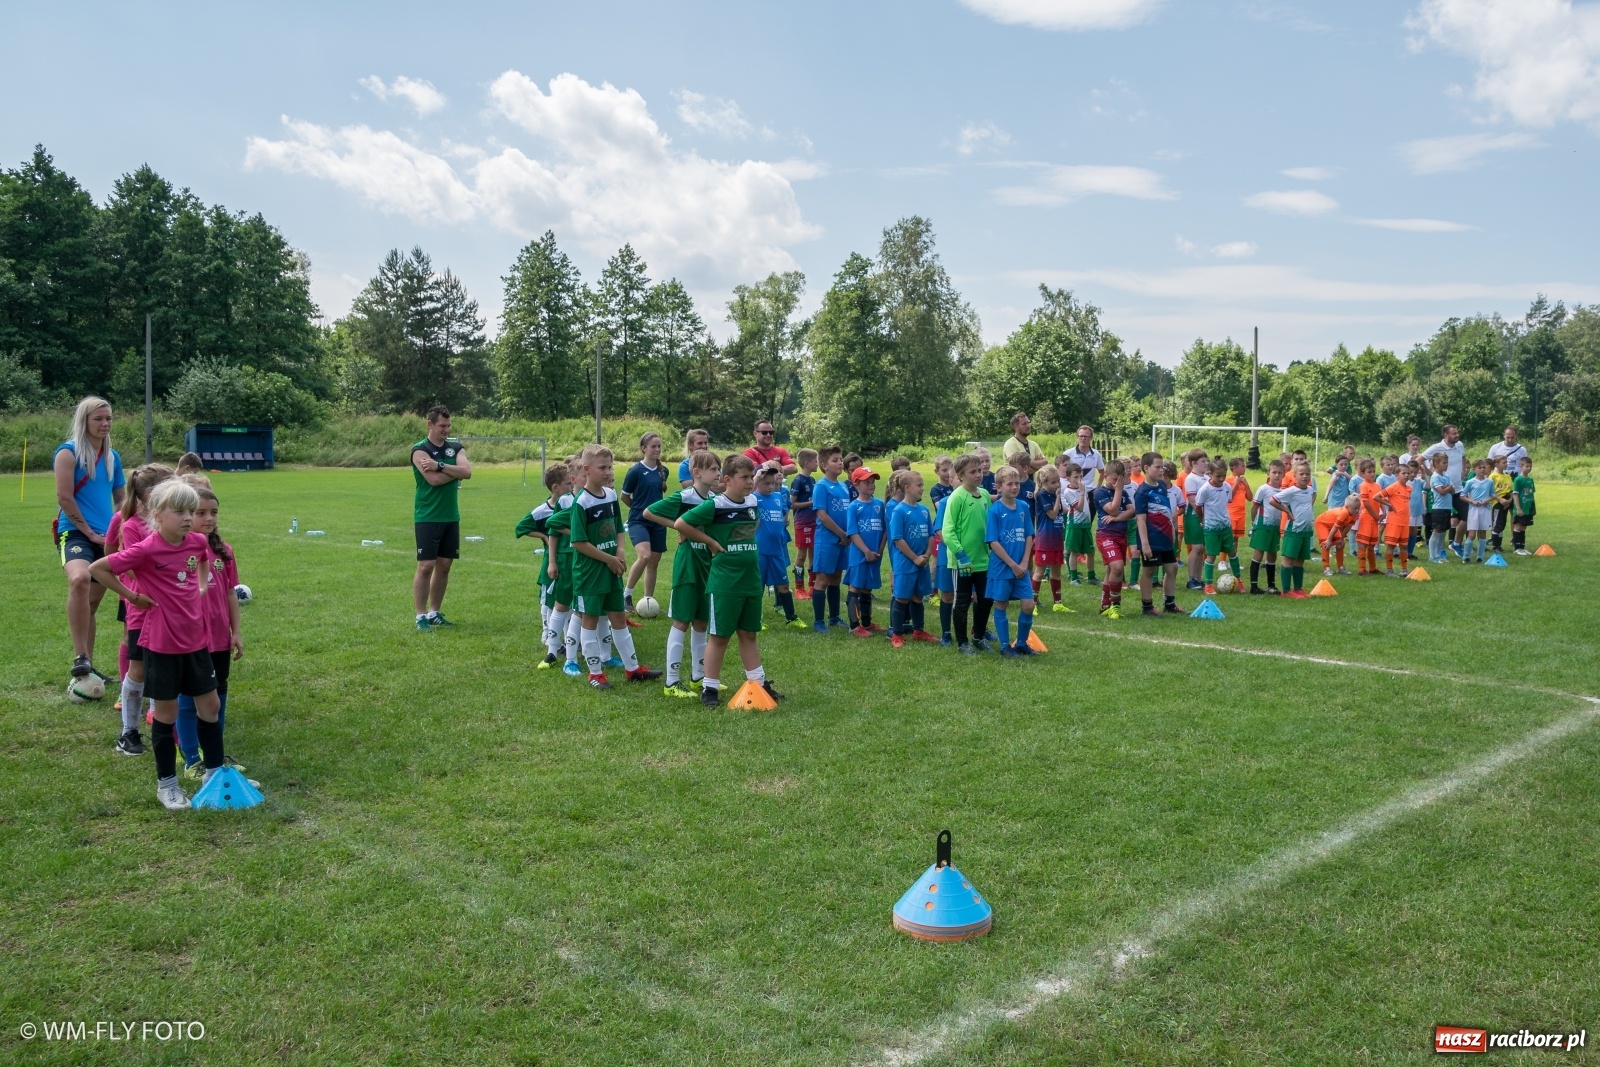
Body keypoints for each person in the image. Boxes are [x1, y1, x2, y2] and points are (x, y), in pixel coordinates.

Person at [89, 480, 223, 811]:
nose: (188, 518)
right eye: (179, 511)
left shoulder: (196, 542)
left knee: (211, 708)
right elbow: (99, 568)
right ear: (157, 515)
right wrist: (133, 596)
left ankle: (215, 775)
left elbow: (203, 560)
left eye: (191, 511)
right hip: (162, 645)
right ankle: (168, 785)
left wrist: (202, 589)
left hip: (196, 643)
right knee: (167, 713)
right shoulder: (146, 549)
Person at [675, 455, 784, 708]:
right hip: (725, 583)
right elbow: (682, 523)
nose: (749, 482)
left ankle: (758, 682)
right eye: (744, 478)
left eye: (750, 477)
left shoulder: (753, 501)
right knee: (720, 636)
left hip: (750, 580)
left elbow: (752, 524)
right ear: (727, 480)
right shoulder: (716, 505)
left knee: (749, 633)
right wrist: (712, 542)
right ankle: (709, 687)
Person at [568, 444, 660, 689]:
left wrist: (618, 552)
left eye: (610, 467)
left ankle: (632, 669)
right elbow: (578, 542)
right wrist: (607, 559)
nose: (608, 472)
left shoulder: (609, 495)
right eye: (602, 468)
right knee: (589, 621)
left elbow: (620, 527)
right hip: (590, 573)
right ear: (587, 470)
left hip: (611, 570)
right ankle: (595, 674)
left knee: (618, 618)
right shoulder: (581, 502)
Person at [174, 483, 245, 780]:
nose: (209, 518)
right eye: (200, 512)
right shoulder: (179, 549)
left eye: (213, 513)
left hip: (218, 638)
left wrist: (235, 631)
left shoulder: (223, 551)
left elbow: (230, 594)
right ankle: (191, 757)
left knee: (218, 696)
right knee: (189, 698)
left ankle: (214, 751)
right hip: (189, 639)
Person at [55, 396, 127, 689]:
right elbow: (64, 497)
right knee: (80, 580)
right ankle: (80, 656)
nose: (105, 424)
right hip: (74, 533)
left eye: (108, 418)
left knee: (92, 604)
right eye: (98, 419)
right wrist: (89, 533)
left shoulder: (113, 457)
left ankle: (89, 669)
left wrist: (122, 528)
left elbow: (121, 499)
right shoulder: (68, 454)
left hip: (105, 536)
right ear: (84, 421)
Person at [106, 464, 174, 754]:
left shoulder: (170, 522)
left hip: (169, 608)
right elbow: (130, 566)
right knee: (139, 669)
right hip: (142, 609)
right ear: (150, 495)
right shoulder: (132, 525)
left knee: (164, 667)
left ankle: (164, 724)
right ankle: (128, 733)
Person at [645, 449, 721, 697]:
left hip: (707, 565)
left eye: (718, 469)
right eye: (713, 469)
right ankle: (671, 682)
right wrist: (680, 527)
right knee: (682, 621)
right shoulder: (685, 496)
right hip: (688, 563)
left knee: (701, 621)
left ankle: (698, 677)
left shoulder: (713, 499)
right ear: (697, 473)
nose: (718, 473)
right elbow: (649, 512)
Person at [411, 406, 472, 630]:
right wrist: (454, 472)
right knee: (426, 566)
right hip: (427, 516)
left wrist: (440, 466)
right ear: (430, 424)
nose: (446, 430)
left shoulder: (455, 447)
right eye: (442, 426)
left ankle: (434, 612)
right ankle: (420, 616)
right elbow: (433, 481)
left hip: (450, 516)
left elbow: (468, 472)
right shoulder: (419, 450)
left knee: (444, 565)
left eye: (448, 426)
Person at [516, 464, 572, 670]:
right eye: (568, 483)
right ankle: (548, 634)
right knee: (549, 599)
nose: (571, 486)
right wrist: (543, 536)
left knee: (565, 602)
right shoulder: (542, 510)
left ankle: (566, 641)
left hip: (568, 558)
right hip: (553, 560)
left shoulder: (571, 503)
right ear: (555, 487)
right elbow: (521, 527)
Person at [943, 453, 993, 653]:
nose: (978, 474)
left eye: (979, 470)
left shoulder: (985, 495)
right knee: (962, 601)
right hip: (962, 562)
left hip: (983, 560)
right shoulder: (956, 497)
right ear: (961, 476)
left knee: (986, 599)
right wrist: (961, 554)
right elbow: (948, 529)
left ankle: (979, 637)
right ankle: (962, 642)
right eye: (973, 472)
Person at [985, 466, 1037, 656]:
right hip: (1002, 568)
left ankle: (1022, 643)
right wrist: (1012, 565)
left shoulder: (1023, 506)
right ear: (998, 487)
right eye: (1009, 484)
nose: (1015, 487)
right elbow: (993, 542)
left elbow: (1029, 535)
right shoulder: (995, 511)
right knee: (1001, 604)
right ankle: (1005, 646)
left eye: (1017, 483)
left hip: (1021, 568)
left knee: (1028, 604)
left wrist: (1023, 563)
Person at [621, 432, 670, 612]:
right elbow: (624, 496)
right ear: (643, 448)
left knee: (654, 562)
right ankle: (626, 596)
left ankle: (648, 600)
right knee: (644, 556)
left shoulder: (663, 470)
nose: (657, 450)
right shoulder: (635, 471)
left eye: (659, 446)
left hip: (658, 521)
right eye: (653, 446)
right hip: (638, 521)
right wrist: (639, 509)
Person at [888, 471, 937, 647]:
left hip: (921, 562)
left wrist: (927, 554)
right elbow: (897, 539)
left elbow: (931, 534)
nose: (922, 488)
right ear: (907, 488)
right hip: (906, 563)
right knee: (902, 598)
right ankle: (897, 634)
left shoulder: (923, 510)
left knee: (918, 597)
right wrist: (915, 558)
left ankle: (918, 631)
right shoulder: (899, 511)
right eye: (919, 485)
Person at [754, 466, 806, 630]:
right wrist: (756, 478)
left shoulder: (777, 497)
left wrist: (784, 520)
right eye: (766, 484)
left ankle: (791, 617)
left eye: (772, 483)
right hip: (761, 550)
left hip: (778, 549)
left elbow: (785, 511)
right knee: (758, 586)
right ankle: (756, 620)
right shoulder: (753, 498)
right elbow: (742, 496)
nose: (770, 487)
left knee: (783, 585)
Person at [809, 446, 851, 632]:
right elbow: (823, 516)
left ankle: (834, 617)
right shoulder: (821, 486)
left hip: (843, 539)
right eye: (835, 460)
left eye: (841, 459)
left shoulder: (843, 486)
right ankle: (819, 621)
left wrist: (847, 533)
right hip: (827, 539)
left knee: (836, 578)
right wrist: (841, 533)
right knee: (823, 579)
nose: (840, 462)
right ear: (824, 465)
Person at [1134, 456, 1183, 616]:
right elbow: (1140, 519)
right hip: (1151, 538)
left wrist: (1171, 531)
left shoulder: (1162, 485)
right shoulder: (1142, 492)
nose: (1161, 470)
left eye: (1162, 467)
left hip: (1165, 536)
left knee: (1172, 568)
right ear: (1146, 468)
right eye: (1157, 467)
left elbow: (1166, 510)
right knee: (1149, 571)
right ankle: (1147, 607)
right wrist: (1145, 544)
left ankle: (1169, 603)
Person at [845, 467, 886, 636]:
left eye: (872, 482)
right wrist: (866, 551)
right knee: (855, 587)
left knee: (868, 588)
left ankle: (867, 623)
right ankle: (854, 626)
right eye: (866, 482)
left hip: (875, 555)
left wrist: (879, 550)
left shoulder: (879, 505)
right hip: (860, 555)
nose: (871, 485)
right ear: (856, 484)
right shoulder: (854, 507)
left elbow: (885, 530)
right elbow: (853, 532)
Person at [1093, 460, 1134, 618]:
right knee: (1117, 567)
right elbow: (1113, 509)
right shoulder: (1100, 493)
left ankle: (1105, 605)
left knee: (1111, 570)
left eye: (1119, 480)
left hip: (1120, 535)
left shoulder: (1123, 493)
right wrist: (1118, 490)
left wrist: (1117, 519)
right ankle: (1116, 606)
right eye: (1114, 479)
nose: (1117, 483)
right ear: (1105, 477)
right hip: (1106, 535)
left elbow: (1132, 511)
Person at [1193, 462, 1239, 594]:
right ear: (1210, 474)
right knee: (1211, 555)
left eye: (1223, 475)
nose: (1221, 479)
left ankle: (1239, 580)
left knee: (1232, 552)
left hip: (1225, 526)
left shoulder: (1227, 487)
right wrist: (1202, 520)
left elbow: (1226, 502)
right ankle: (1208, 584)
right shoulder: (1205, 489)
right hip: (1211, 528)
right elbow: (1198, 507)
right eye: (1218, 476)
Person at [1272, 463, 1316, 597]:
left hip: (1306, 531)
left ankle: (1298, 588)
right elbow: (1273, 500)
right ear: (1295, 475)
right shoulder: (1291, 491)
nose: (1304, 476)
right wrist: (1287, 511)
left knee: (1300, 559)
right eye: (1301, 474)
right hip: (1294, 530)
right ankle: (1286, 591)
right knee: (1289, 560)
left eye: (1307, 474)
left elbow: (1310, 499)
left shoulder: (1309, 489)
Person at [1421, 425, 1467, 554]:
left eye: (1457, 432)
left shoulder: (1460, 445)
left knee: (1467, 517)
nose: (1457, 435)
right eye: (1454, 433)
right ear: (1446, 435)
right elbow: (1420, 459)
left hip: (1457, 489)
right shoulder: (1437, 448)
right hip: (1443, 493)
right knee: (1440, 526)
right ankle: (1438, 551)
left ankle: (1456, 543)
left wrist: (1464, 470)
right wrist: (1430, 473)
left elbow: (1463, 457)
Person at [1248, 460, 1286, 595]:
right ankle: (1254, 586)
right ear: (1268, 473)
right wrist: (1255, 524)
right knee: (1259, 553)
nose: (1276, 475)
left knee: (1272, 555)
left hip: (1274, 527)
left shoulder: (1282, 491)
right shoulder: (1263, 489)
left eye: (1279, 473)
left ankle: (1271, 586)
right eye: (1274, 472)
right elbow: (1254, 507)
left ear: (1284, 474)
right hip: (1262, 525)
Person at [1030, 465, 1065, 608]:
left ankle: (1058, 603)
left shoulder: (1053, 494)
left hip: (1057, 538)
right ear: (1044, 483)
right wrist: (1058, 497)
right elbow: (1053, 514)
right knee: (1039, 572)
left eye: (1058, 481)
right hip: (1045, 539)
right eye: (1053, 482)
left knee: (1056, 572)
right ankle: (1032, 603)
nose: (1057, 485)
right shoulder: (1042, 495)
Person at [790, 448, 818, 597]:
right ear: (807, 463)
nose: (818, 464)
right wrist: (811, 503)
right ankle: (799, 587)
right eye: (816, 461)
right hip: (802, 522)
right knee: (801, 555)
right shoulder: (798, 480)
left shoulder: (812, 480)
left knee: (813, 553)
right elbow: (792, 504)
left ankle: (812, 585)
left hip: (814, 522)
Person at [1379, 463, 1414, 576]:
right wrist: (1389, 505)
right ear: (1397, 475)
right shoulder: (1393, 486)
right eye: (1403, 473)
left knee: (1404, 546)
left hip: (1405, 522)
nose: (1406, 475)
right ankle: (1389, 570)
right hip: (1394, 522)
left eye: (1408, 473)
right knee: (1391, 546)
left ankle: (1404, 570)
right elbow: (1377, 496)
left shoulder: (1409, 488)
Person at [1316, 495, 1361, 576]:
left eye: (1358, 508)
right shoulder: (1344, 512)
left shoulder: (1355, 513)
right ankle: (1326, 568)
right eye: (1355, 508)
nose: (1357, 510)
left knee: (1341, 544)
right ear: (1347, 507)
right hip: (1322, 523)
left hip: (1333, 526)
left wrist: (1341, 538)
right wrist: (1329, 539)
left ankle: (1340, 567)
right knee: (1326, 544)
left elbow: (1349, 526)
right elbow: (1336, 526)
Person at [1353, 458, 1384, 576]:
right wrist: (1375, 515)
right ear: (1362, 473)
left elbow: (1379, 499)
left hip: (1375, 519)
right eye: (1369, 472)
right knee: (1363, 544)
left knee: (1372, 544)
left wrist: (1384, 511)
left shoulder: (1377, 485)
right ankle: (1362, 569)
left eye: (1373, 471)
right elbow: (1365, 503)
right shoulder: (1363, 485)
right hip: (1367, 518)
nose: (1372, 474)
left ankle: (1372, 568)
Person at [1462, 458, 1496, 563]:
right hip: (1473, 509)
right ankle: (1466, 556)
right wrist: (1472, 501)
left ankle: (1480, 557)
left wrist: (1487, 500)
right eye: (1479, 468)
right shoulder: (1470, 482)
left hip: (1485, 509)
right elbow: (1462, 496)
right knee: (1471, 534)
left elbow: (1493, 495)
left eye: (1484, 467)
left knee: (1482, 533)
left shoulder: (1489, 482)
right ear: (1474, 469)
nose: (1482, 469)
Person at [1426, 451, 1457, 564]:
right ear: (1436, 464)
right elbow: (1442, 491)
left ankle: (1439, 555)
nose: (1446, 465)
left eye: (1447, 462)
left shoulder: (1446, 476)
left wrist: (1447, 487)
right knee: (1436, 531)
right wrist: (1448, 487)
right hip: (1438, 508)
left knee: (1443, 532)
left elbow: (1452, 490)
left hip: (1447, 508)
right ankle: (1432, 556)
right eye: (1444, 463)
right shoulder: (1434, 477)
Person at [1488, 453, 1515, 553]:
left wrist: (1510, 500)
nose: (1506, 464)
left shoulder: (1507, 476)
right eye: (1503, 462)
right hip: (1497, 502)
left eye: (1506, 462)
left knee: (1503, 523)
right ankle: (1495, 545)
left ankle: (1499, 545)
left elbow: (1511, 489)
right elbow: (1491, 491)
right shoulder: (1493, 476)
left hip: (1507, 501)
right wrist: (1500, 499)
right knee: (1497, 524)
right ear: (1496, 464)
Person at [1511, 456, 1536, 555]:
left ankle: (1522, 547)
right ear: (1521, 466)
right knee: (1518, 526)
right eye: (1527, 466)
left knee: (1524, 527)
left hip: (1528, 508)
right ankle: (1517, 548)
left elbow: (1531, 494)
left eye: (1530, 466)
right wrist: (1518, 508)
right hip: (1520, 508)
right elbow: (1515, 494)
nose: (1529, 468)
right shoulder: (1518, 479)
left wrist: (1532, 508)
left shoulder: (1530, 480)